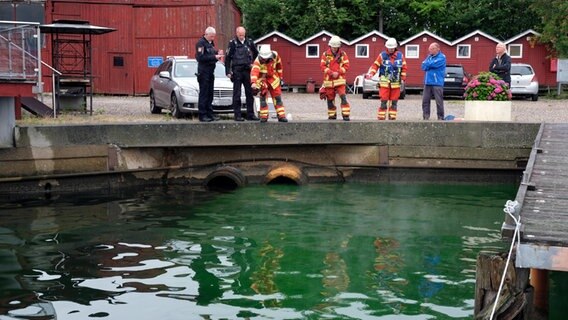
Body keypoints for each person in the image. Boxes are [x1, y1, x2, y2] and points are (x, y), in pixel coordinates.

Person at [366, 37, 407, 120]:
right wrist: (371, 73)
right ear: (386, 47)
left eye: (392, 48)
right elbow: (375, 65)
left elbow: (404, 67)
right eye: (389, 48)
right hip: (384, 83)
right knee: (383, 101)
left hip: (396, 84)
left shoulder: (400, 56)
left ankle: (392, 118)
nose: (391, 49)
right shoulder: (382, 55)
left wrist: (403, 77)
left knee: (394, 102)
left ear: (395, 47)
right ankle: (381, 118)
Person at [225, 26, 259, 121]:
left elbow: (256, 54)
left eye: (243, 35)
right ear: (236, 33)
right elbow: (228, 58)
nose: (241, 36)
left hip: (247, 70)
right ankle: (238, 115)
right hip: (237, 70)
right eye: (240, 35)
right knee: (237, 94)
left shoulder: (249, 42)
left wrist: (254, 65)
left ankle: (250, 114)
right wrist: (227, 71)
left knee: (250, 93)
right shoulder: (232, 43)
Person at [250, 45, 288, 123]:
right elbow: (254, 72)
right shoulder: (258, 61)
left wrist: (280, 77)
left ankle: (281, 116)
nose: (265, 59)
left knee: (277, 98)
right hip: (263, 80)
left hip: (273, 79)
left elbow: (279, 66)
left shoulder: (275, 56)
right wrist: (253, 83)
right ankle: (264, 116)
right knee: (263, 99)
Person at [195, 26, 224, 122]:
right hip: (203, 72)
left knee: (210, 93)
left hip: (211, 71)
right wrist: (214, 57)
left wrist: (217, 53)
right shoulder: (201, 43)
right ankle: (202, 115)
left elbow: (211, 53)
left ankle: (209, 113)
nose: (213, 38)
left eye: (214, 36)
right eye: (211, 36)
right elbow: (201, 58)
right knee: (204, 93)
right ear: (206, 34)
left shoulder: (210, 44)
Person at [320, 35, 351, 121]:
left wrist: (338, 72)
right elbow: (322, 66)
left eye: (336, 47)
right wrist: (330, 73)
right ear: (330, 46)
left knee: (343, 97)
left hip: (340, 80)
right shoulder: (325, 54)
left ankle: (346, 115)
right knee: (330, 99)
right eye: (333, 47)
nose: (334, 48)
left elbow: (347, 66)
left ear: (339, 46)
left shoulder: (343, 54)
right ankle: (332, 115)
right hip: (329, 81)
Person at [421, 42, 446, 120]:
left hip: (437, 82)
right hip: (427, 82)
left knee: (439, 101)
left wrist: (428, 64)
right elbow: (423, 66)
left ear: (438, 49)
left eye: (432, 48)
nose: (430, 50)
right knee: (425, 101)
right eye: (430, 48)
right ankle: (426, 117)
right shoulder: (429, 57)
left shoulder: (442, 57)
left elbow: (433, 65)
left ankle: (440, 117)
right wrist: (428, 64)